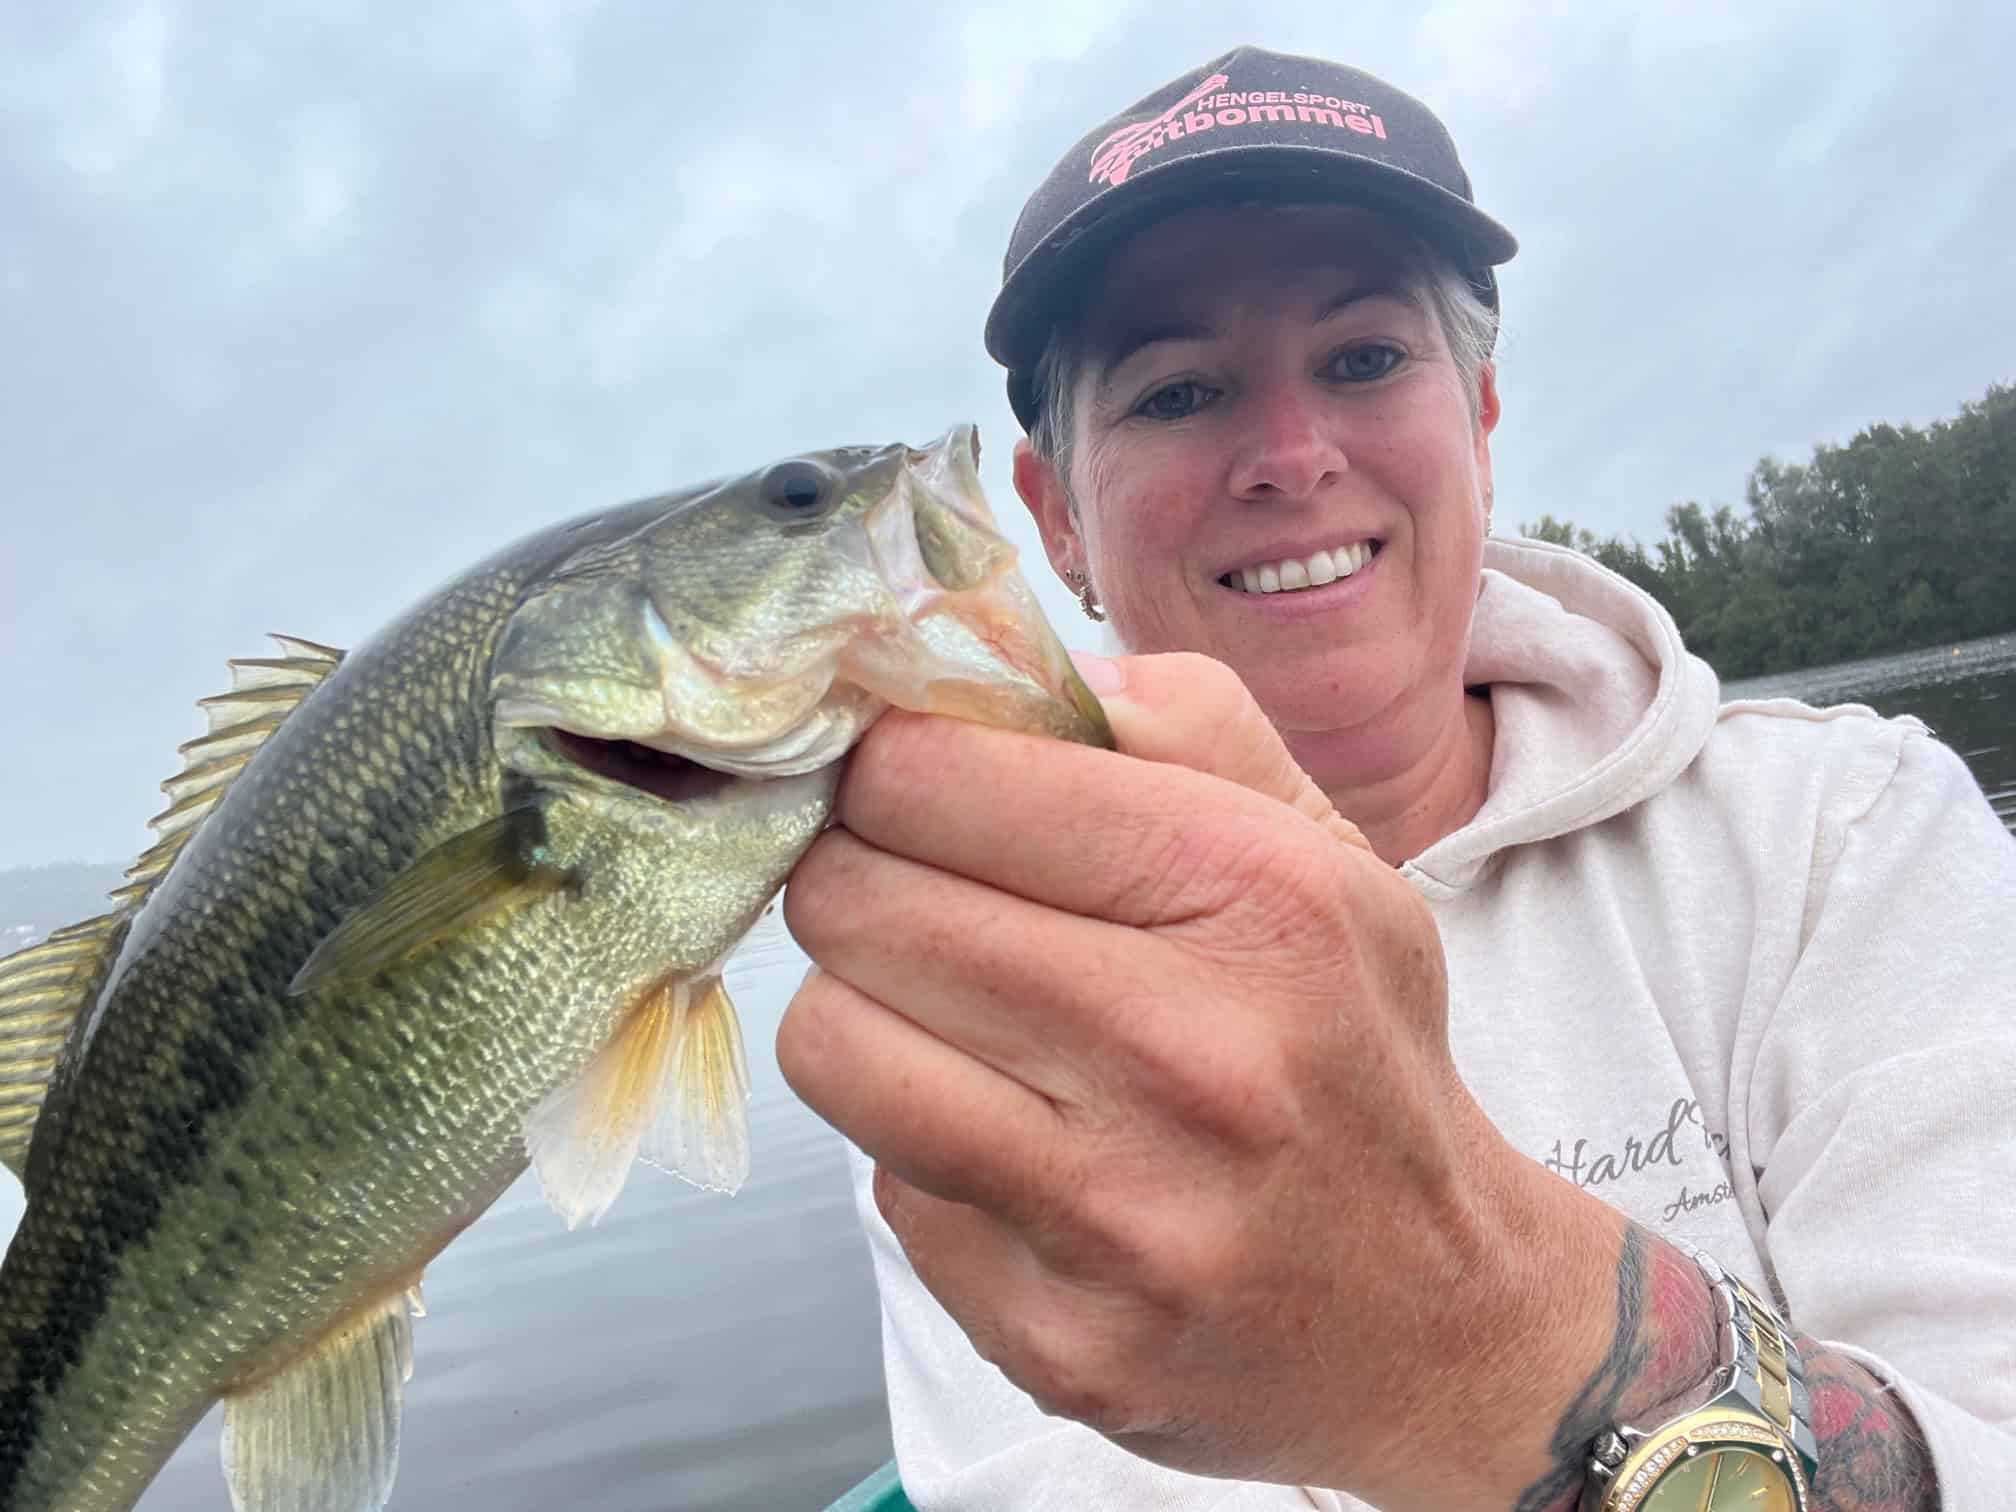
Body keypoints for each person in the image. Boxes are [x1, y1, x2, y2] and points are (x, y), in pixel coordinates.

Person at [777, 44, 2016, 1512]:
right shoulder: (975, 1000)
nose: (1290, 455)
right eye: (1177, 393)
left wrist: (1464, 1342)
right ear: (1055, 521)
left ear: (1481, 424)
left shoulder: (1848, 831)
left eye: (1365, 358)